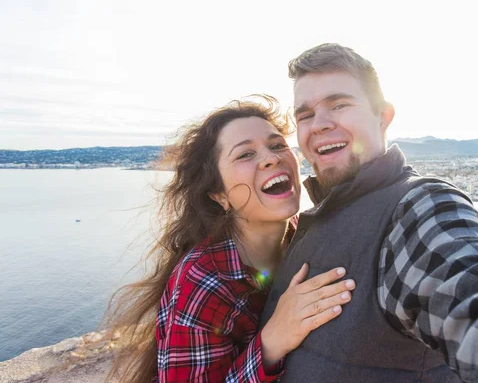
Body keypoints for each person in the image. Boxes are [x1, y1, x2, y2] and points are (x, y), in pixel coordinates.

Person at [259, 44, 478, 382]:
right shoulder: (313, 218)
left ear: (383, 116)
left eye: (339, 104)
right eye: (305, 115)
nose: (318, 124)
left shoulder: (415, 206)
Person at [104, 96, 356, 383]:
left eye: (277, 145)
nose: (271, 158)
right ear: (219, 195)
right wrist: (272, 341)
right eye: (245, 154)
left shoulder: (309, 237)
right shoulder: (202, 282)